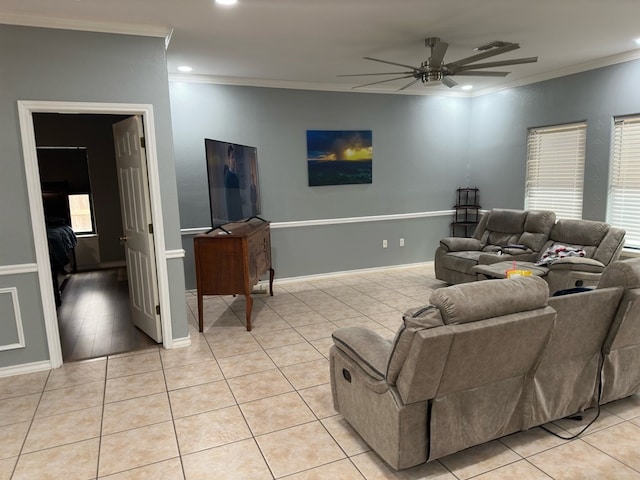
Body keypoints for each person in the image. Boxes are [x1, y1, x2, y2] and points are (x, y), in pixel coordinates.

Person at [224, 144, 243, 221]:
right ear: (229, 159)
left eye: (235, 157)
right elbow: (229, 202)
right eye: (232, 157)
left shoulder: (235, 176)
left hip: (239, 216)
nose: (234, 160)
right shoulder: (227, 177)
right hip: (233, 219)